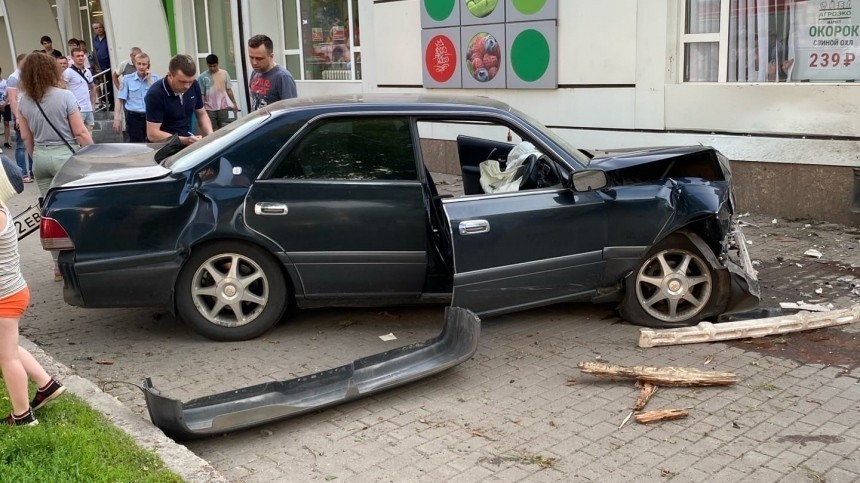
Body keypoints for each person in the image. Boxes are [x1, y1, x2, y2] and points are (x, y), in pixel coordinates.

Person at [0, 155, 66, 426]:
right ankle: (46, 385)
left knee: (7, 357)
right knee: (8, 347)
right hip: (13, 291)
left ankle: (22, 415)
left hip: (4, 298)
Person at [16, 52, 94, 281]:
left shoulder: (24, 101)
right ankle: (80, 258)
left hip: (40, 158)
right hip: (66, 156)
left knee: (50, 213)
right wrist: (94, 154)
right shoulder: (66, 96)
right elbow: (80, 132)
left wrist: (37, 156)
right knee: (76, 210)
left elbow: (25, 136)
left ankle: (57, 265)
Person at [145, 54, 212, 145]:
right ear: (170, 75)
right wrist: (183, 140)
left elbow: (202, 114)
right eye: (182, 81)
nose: (187, 86)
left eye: (190, 81)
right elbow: (152, 134)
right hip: (163, 146)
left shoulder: (194, 85)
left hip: (186, 140)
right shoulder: (155, 94)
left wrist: (210, 135)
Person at [114, 52, 158, 142]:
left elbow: (158, 97)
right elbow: (120, 100)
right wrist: (116, 119)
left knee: (153, 143)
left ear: (148, 65)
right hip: (134, 117)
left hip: (151, 117)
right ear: (135, 64)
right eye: (139, 64)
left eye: (144, 64)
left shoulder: (155, 78)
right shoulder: (127, 79)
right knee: (137, 145)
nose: (141, 67)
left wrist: (149, 80)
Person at [247, 34, 297, 110]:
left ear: (271, 56)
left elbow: (291, 110)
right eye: (251, 57)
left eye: (259, 58)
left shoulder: (283, 77)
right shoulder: (255, 73)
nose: (254, 62)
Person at [6, 54, 34, 182]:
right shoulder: (13, 78)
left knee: (32, 142)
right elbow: (12, 99)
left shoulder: (28, 76)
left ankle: (33, 171)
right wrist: (17, 117)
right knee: (21, 144)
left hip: (31, 112)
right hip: (20, 114)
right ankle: (22, 173)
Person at [199, 54, 239, 129]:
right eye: (210, 66)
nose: (213, 68)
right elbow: (202, 95)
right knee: (213, 130)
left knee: (224, 129)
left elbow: (229, 90)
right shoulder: (202, 77)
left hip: (223, 108)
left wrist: (234, 103)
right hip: (209, 109)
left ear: (217, 64)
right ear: (207, 65)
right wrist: (202, 110)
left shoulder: (224, 73)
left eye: (214, 66)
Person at [63, 47, 97, 131]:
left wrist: (93, 104)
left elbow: (92, 87)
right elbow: (62, 88)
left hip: (88, 109)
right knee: (78, 135)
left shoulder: (87, 72)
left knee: (89, 135)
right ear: (72, 58)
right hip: (76, 110)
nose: (81, 58)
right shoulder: (68, 72)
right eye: (78, 56)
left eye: (82, 55)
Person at [92, 22, 113, 109]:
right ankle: (105, 103)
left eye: (100, 27)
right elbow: (96, 53)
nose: (99, 29)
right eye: (96, 28)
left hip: (109, 65)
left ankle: (111, 104)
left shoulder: (108, 37)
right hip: (100, 66)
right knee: (102, 85)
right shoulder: (95, 39)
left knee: (109, 85)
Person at [0, 68, 10, 149]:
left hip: (6, 105)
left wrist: (4, 104)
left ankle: (6, 141)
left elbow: (10, 94)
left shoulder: (6, 82)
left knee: (6, 123)